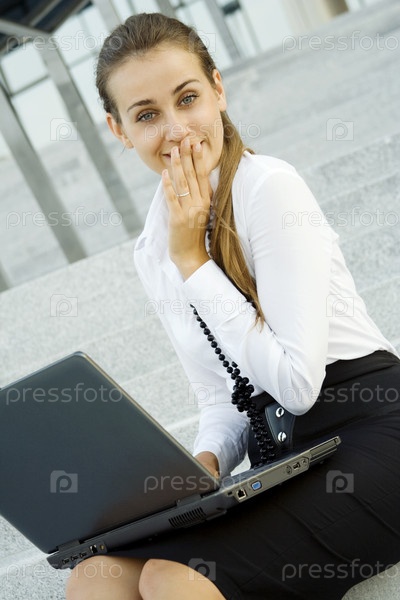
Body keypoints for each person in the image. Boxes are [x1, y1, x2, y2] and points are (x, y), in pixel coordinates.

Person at [66, 11, 400, 600]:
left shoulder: (269, 189)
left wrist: (193, 262)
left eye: (187, 98)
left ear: (217, 89)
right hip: (285, 452)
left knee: (173, 576)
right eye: (147, 115)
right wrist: (203, 466)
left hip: (372, 430)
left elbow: (297, 385)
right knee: (96, 576)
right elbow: (222, 397)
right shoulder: (153, 248)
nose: (176, 130)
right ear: (119, 131)